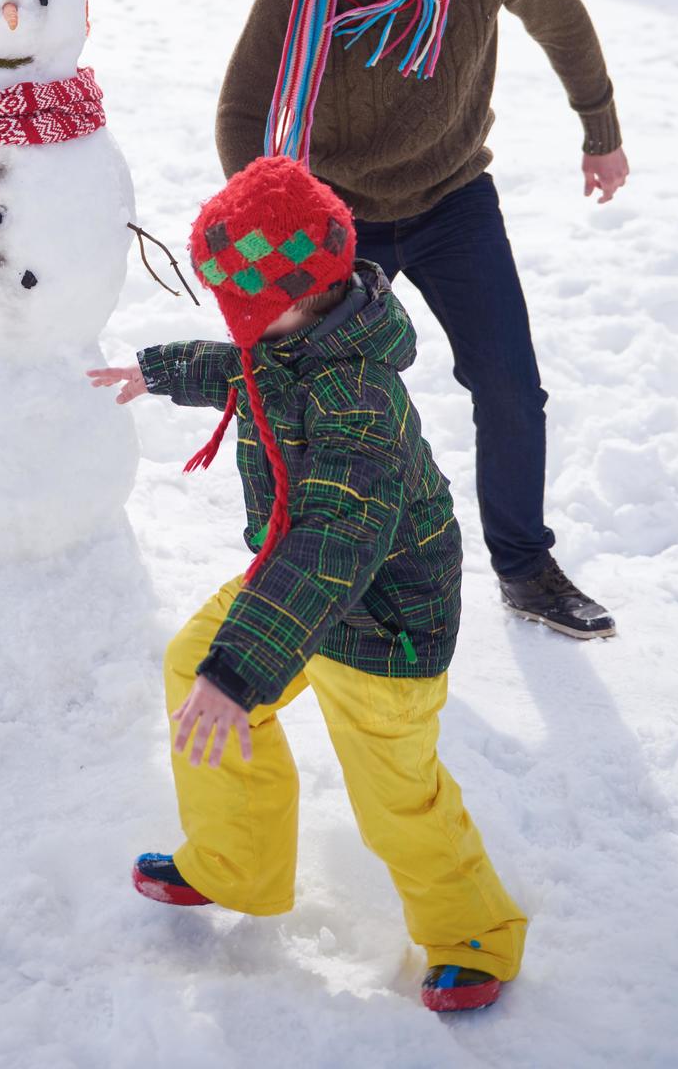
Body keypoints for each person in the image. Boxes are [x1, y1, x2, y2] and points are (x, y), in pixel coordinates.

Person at [90, 154, 527, 1015]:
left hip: (381, 623)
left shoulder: (356, 399)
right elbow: (248, 372)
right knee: (193, 669)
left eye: (244, 308)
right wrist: (164, 370)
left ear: (298, 297)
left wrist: (240, 668)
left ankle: (474, 935)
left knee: (395, 798)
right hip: (299, 589)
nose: (238, 325)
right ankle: (234, 861)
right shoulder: (302, 335)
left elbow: (335, 542)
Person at [215, 0, 627, 638]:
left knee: (510, 385)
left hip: (452, 199)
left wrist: (601, 130)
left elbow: (565, 25)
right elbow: (240, 112)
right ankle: (313, 567)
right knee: (314, 400)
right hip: (340, 221)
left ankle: (523, 567)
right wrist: (281, 234)